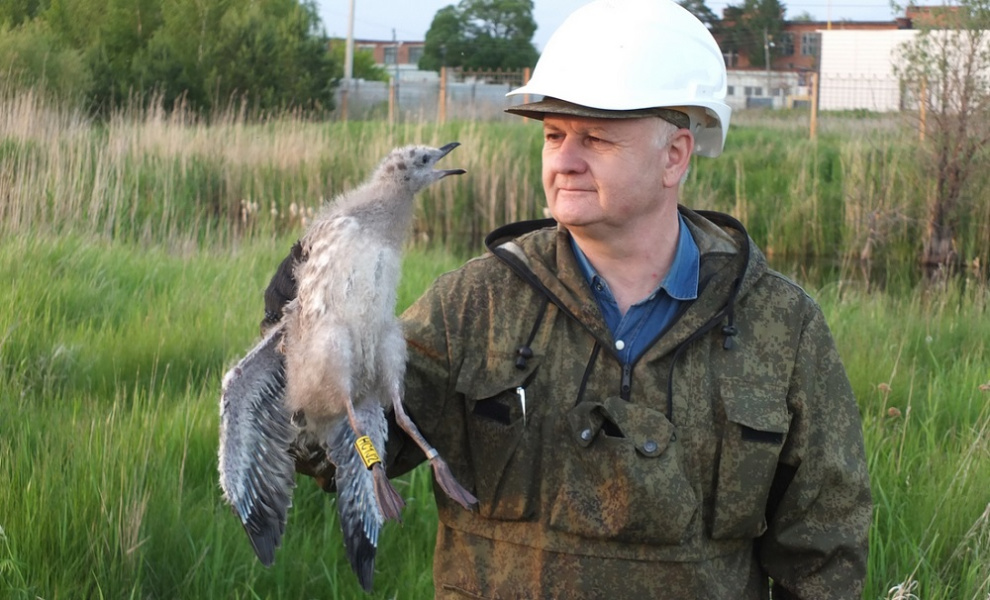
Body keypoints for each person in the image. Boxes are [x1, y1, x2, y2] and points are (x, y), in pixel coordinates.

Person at [264, 0, 872, 597]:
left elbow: (825, 543)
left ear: (676, 156)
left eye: (597, 139)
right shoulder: (474, 305)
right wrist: (297, 356)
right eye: (555, 136)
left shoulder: (779, 325)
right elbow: (350, 449)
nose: (566, 161)